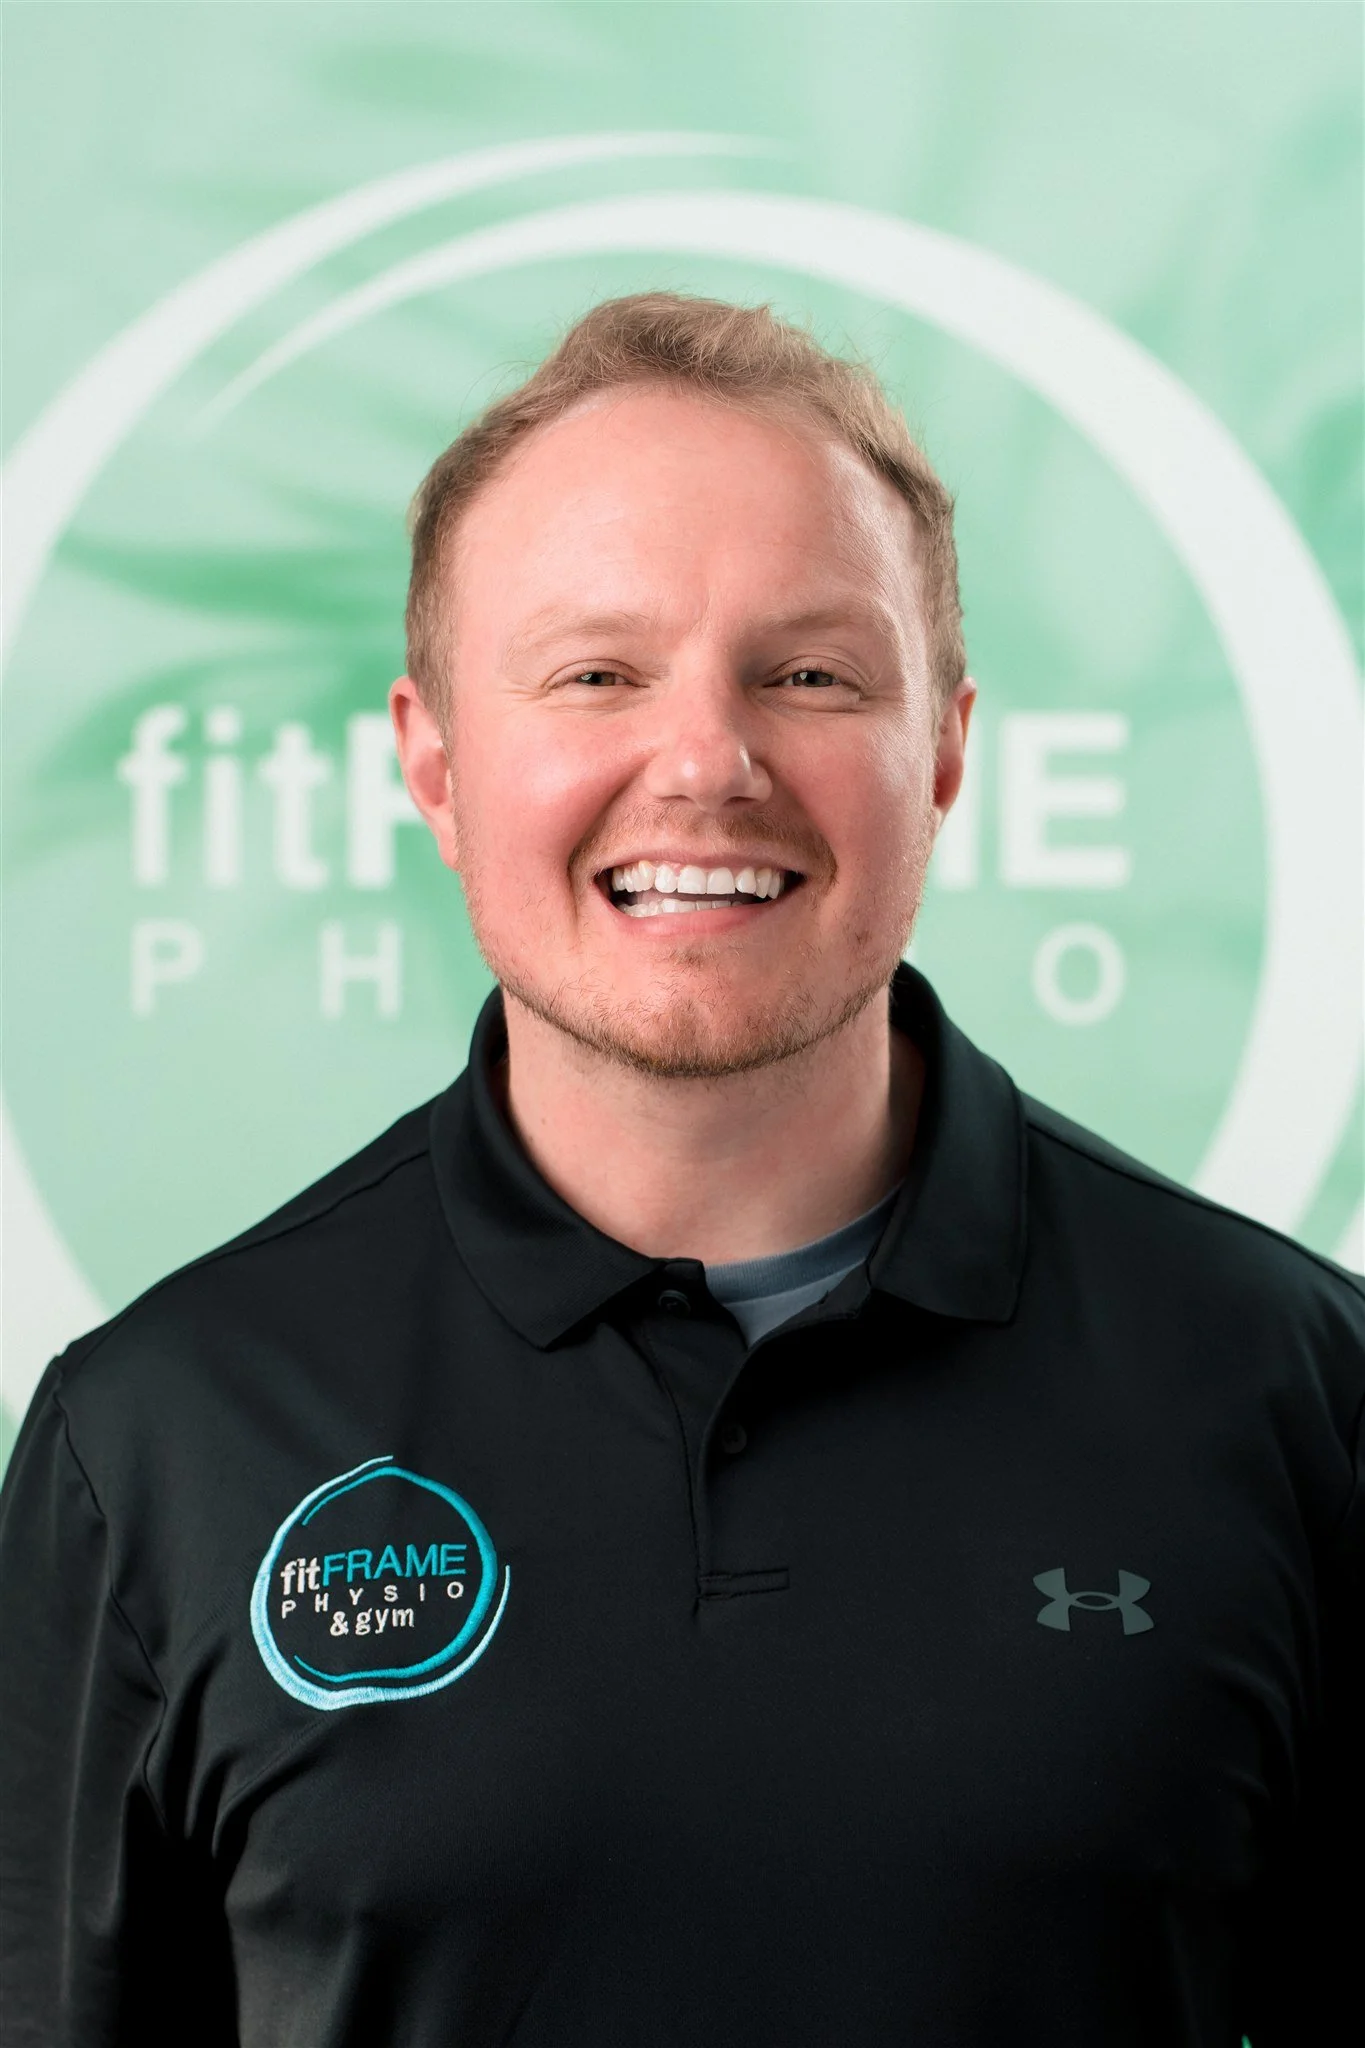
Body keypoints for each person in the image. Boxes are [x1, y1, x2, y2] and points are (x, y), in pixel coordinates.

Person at [1, 293, 1360, 2048]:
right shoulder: (158, 1442)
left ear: (942, 748)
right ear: (431, 756)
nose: (708, 763)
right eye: (597, 674)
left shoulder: (1292, 1392)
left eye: (808, 674)